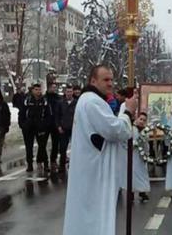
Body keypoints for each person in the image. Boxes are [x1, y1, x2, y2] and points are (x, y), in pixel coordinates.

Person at [63, 65, 135, 235]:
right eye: (106, 80)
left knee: (87, 214)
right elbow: (116, 130)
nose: (110, 83)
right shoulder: (93, 102)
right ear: (93, 81)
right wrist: (128, 111)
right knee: (94, 215)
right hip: (94, 172)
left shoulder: (88, 100)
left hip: (89, 169)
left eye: (111, 79)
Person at [22, 84, 51, 173]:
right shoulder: (27, 100)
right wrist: (23, 124)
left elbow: (48, 114)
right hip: (29, 127)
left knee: (42, 146)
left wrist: (45, 125)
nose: (38, 91)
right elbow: (22, 112)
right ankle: (30, 164)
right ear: (32, 90)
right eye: (36, 89)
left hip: (40, 127)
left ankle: (45, 164)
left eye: (39, 89)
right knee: (29, 147)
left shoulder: (44, 101)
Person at [57, 85, 77, 173]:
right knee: (63, 148)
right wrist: (58, 126)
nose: (69, 93)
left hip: (74, 128)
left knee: (75, 147)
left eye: (70, 91)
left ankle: (74, 165)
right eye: (67, 92)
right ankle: (62, 165)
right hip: (63, 128)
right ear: (65, 92)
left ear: (73, 92)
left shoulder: (77, 102)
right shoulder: (60, 102)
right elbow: (57, 115)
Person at [133, 112, 150, 202]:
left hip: (141, 156)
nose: (142, 121)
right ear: (137, 119)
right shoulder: (132, 129)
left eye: (144, 120)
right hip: (133, 155)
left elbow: (146, 144)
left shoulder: (145, 131)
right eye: (141, 119)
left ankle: (142, 192)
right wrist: (135, 144)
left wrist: (146, 154)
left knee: (142, 174)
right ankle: (131, 193)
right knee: (132, 174)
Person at [45, 82, 62, 173]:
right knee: (42, 145)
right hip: (46, 124)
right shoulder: (45, 98)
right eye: (52, 87)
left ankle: (53, 160)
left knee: (55, 144)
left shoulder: (58, 98)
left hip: (55, 124)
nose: (54, 89)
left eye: (55, 87)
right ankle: (44, 161)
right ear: (48, 88)